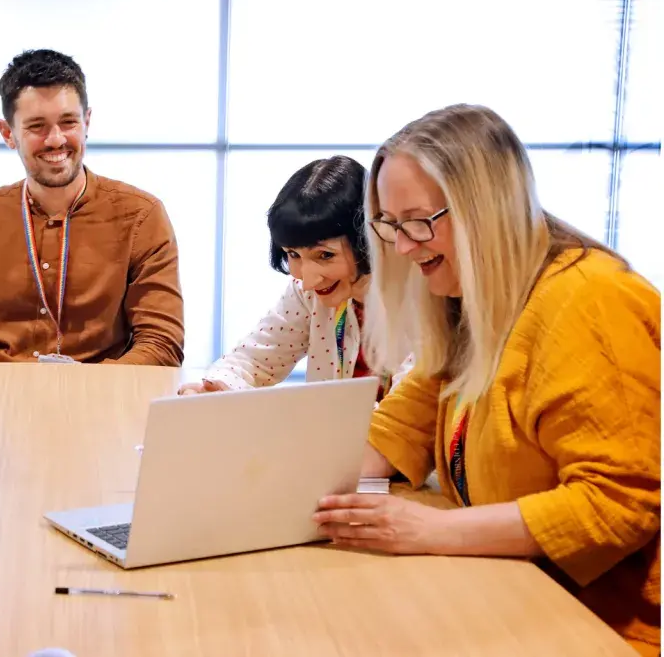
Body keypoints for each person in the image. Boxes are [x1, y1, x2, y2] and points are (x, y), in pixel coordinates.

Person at [311, 105, 660, 654]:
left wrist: (428, 532)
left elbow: (617, 504)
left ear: (486, 208)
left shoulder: (591, 301)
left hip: (598, 624)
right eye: (391, 225)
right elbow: (403, 425)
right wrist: (283, 483)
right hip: (505, 593)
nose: (403, 247)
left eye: (420, 221)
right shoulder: (471, 301)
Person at [0, 49, 184, 366]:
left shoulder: (141, 216)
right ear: (8, 134)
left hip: (92, 403)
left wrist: (94, 392)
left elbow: (161, 344)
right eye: (37, 126)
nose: (56, 140)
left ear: (87, 122)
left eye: (68, 122)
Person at [178, 155, 403, 396]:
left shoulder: (417, 300)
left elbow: (414, 410)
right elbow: (253, 360)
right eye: (293, 254)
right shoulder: (307, 292)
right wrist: (213, 389)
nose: (307, 280)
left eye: (325, 255)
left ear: (366, 239)